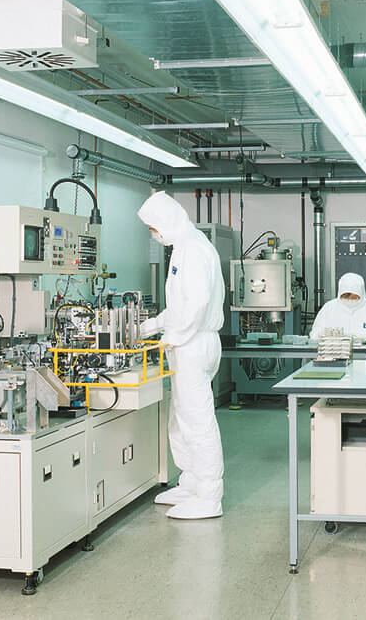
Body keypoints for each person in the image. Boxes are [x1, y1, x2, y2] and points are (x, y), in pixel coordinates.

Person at [137, 191, 225, 520]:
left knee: (198, 422)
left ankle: (209, 494)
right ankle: (190, 482)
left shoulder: (193, 248)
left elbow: (197, 304)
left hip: (193, 344)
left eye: (152, 227)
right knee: (181, 417)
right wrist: (150, 327)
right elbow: (179, 306)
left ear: (165, 222)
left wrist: (173, 337)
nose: (153, 234)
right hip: (187, 342)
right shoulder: (184, 246)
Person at [309, 272, 366, 345]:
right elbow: (314, 335)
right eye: (346, 296)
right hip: (334, 359)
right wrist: (330, 336)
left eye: (354, 297)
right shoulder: (329, 309)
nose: (350, 300)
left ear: (362, 293)